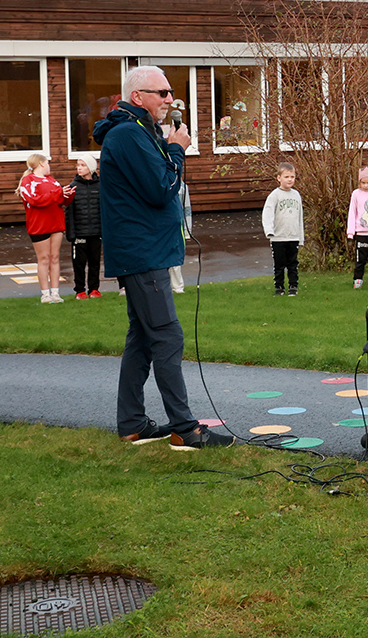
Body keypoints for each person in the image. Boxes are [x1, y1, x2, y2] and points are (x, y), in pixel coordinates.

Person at [96, 65, 224, 448]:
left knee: (142, 338)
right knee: (168, 337)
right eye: (162, 92)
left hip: (145, 249)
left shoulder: (138, 132)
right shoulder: (128, 135)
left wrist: (168, 147)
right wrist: (176, 149)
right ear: (138, 97)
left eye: (170, 93)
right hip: (142, 252)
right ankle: (184, 429)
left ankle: (132, 422)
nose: (170, 99)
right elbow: (161, 188)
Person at [18, 154, 71, 303]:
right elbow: (35, 200)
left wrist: (68, 195)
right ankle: (45, 294)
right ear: (41, 164)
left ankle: (55, 293)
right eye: (47, 163)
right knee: (44, 259)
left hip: (56, 222)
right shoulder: (28, 181)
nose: (49, 166)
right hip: (39, 225)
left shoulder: (52, 181)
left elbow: (60, 199)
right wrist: (58, 193)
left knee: (55, 258)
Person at [263, 161, 305, 296]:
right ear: (279, 178)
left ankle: (293, 286)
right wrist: (269, 230)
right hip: (278, 237)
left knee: (293, 263)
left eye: (292, 177)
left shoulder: (296, 195)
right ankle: (279, 287)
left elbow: (299, 218)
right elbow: (267, 213)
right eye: (287, 177)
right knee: (279, 264)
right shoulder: (274, 195)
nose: (290, 180)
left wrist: (301, 238)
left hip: (293, 236)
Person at [66, 156, 103, 300]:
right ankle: (80, 290)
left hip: (96, 231)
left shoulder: (100, 186)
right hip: (79, 233)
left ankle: (94, 289)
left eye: (83, 165)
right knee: (79, 263)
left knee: (95, 262)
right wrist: (71, 234)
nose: (79, 168)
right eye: (78, 165)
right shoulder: (72, 187)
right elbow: (69, 213)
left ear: (91, 167)